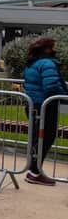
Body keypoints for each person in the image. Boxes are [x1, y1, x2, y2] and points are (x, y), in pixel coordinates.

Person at [23, 37, 67, 186]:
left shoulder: (32, 63)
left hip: (34, 104)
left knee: (38, 138)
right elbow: (51, 86)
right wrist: (65, 95)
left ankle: (33, 170)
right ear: (48, 49)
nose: (56, 49)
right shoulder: (47, 63)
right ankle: (35, 172)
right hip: (45, 106)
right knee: (45, 138)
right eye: (54, 46)